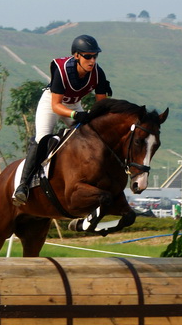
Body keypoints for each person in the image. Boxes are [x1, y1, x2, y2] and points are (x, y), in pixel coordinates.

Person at [12, 34, 112, 206]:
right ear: (76, 56)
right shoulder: (62, 69)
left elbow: (101, 105)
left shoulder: (98, 73)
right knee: (42, 138)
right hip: (52, 104)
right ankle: (23, 185)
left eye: (95, 56)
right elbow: (56, 105)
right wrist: (76, 115)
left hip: (74, 104)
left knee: (92, 138)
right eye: (88, 56)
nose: (92, 60)